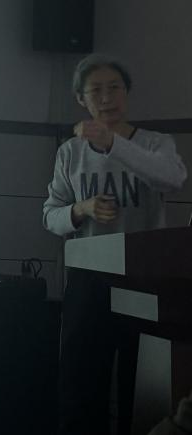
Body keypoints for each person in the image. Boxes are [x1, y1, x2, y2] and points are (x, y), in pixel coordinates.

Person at [43, 55, 188, 435]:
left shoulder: (155, 143)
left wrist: (112, 143)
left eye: (115, 88)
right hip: (89, 280)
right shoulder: (70, 152)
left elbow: (171, 179)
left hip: (147, 282)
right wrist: (82, 208)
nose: (107, 98)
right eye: (96, 90)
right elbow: (51, 215)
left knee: (141, 388)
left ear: (127, 93)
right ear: (81, 99)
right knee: (80, 385)